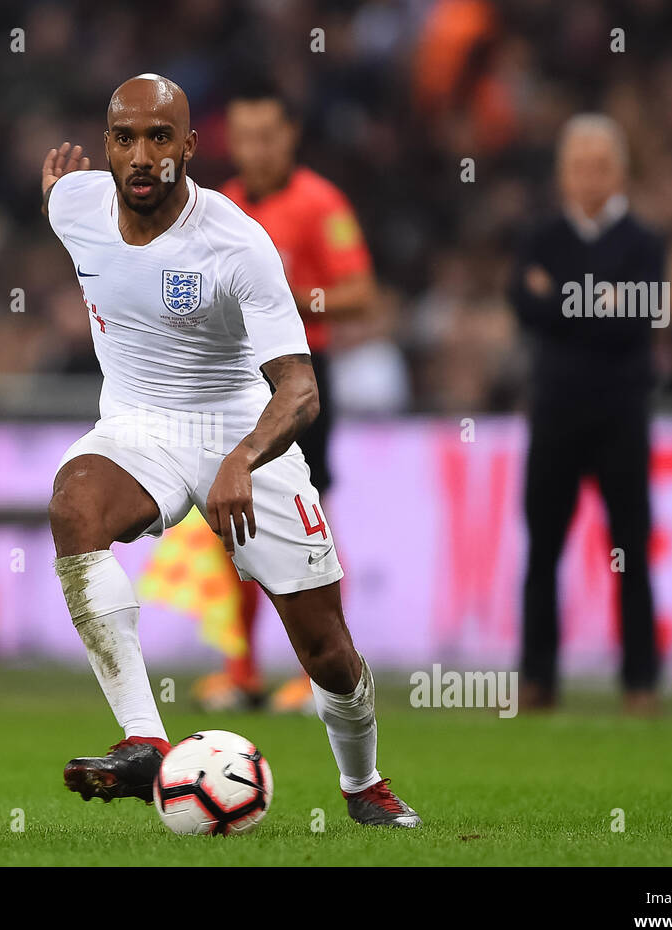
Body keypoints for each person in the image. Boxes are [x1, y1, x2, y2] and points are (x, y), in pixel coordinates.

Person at [42, 74, 419, 827]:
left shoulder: (237, 241)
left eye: (159, 139)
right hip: (138, 427)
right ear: (107, 146)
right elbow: (65, 202)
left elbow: (301, 390)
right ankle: (144, 738)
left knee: (326, 650)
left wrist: (243, 460)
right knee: (73, 505)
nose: (142, 156)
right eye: (125, 139)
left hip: (241, 431)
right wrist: (54, 187)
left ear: (189, 146)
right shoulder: (73, 205)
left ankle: (363, 784)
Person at [190, 79, 377, 714]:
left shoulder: (321, 203)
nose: (255, 148)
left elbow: (357, 294)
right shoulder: (217, 208)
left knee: (306, 519)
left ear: (290, 134)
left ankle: (322, 673)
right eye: (243, 136)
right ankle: (240, 670)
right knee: (232, 521)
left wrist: (287, 299)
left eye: (267, 135)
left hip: (299, 375)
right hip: (235, 379)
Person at [509, 114, 664, 714]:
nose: (589, 177)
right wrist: (596, 300)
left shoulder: (644, 241)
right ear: (562, 173)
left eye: (600, 165)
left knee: (631, 546)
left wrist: (561, 297)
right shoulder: (540, 236)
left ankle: (640, 682)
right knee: (544, 546)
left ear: (620, 171)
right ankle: (538, 679)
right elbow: (525, 304)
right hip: (555, 413)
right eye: (578, 165)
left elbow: (637, 318)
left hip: (621, 414)